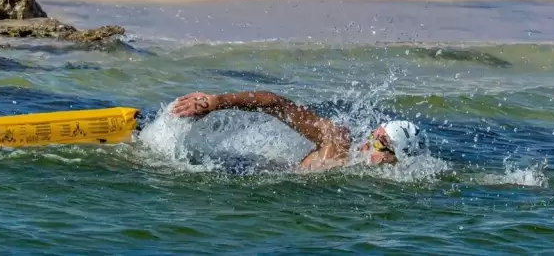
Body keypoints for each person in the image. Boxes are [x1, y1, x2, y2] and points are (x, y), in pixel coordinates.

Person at [170, 90, 421, 171]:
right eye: (372, 136)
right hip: (237, 171)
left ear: (396, 159)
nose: (368, 146)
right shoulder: (337, 142)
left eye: (379, 144)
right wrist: (217, 102)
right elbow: (278, 104)